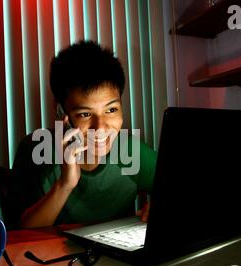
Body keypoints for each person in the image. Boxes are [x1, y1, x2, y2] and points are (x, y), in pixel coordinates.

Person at [9, 40, 157, 228]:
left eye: (111, 110)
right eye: (85, 114)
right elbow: (21, 234)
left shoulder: (131, 150)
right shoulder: (36, 149)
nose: (101, 128)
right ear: (61, 111)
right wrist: (65, 184)